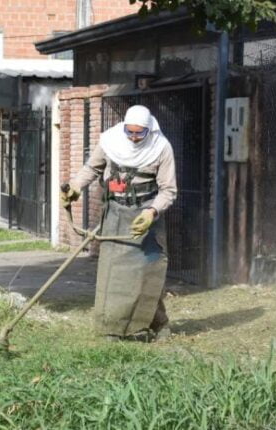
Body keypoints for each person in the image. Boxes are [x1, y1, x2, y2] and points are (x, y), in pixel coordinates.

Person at [61, 105, 177, 342]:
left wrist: (152, 212)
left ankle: (158, 324)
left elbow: (169, 190)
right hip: (115, 213)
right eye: (129, 132)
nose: (133, 137)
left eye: (139, 133)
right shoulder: (110, 141)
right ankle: (111, 328)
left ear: (149, 130)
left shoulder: (161, 148)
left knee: (147, 273)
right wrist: (75, 186)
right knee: (113, 273)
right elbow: (92, 168)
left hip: (144, 216)